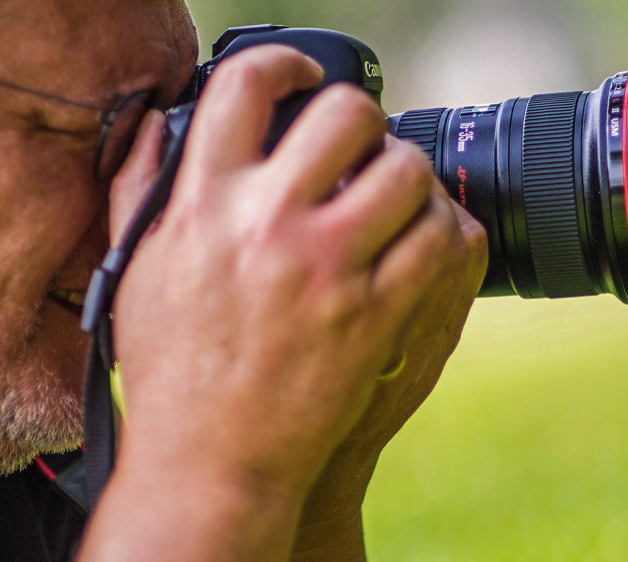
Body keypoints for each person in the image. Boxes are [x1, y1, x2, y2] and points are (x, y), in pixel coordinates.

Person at [0, 0, 487, 559]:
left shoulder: (53, 458)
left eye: (175, 127)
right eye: (110, 134)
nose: (154, 207)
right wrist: (218, 477)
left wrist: (305, 484)